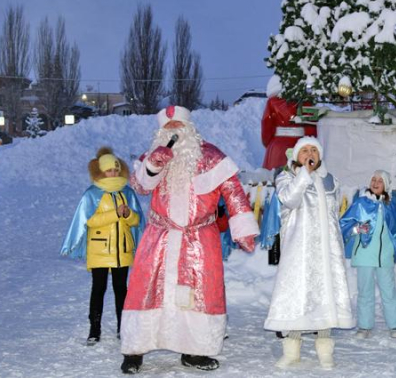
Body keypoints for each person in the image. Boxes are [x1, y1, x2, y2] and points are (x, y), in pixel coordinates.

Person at [119, 106, 259, 374]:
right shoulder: (152, 156)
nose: (174, 132)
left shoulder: (212, 156)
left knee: (201, 294)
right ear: (162, 132)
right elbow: (139, 187)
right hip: (159, 237)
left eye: (179, 126)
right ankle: (135, 350)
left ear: (189, 128)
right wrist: (152, 166)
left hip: (200, 240)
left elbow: (233, 192)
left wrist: (243, 228)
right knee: (145, 290)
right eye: (168, 128)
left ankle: (195, 351)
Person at [264, 136, 354, 370]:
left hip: (326, 251)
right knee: (297, 295)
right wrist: (304, 174)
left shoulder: (330, 180)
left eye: (314, 150)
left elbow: (333, 214)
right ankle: (291, 351)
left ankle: (325, 351)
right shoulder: (287, 177)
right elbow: (290, 200)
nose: (310, 153)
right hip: (299, 250)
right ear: (296, 155)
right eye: (305, 150)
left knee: (324, 295)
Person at [60, 147, 145, 345]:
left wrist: (127, 215)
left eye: (116, 169)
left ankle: (122, 328)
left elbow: (136, 221)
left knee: (121, 290)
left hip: (122, 249)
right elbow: (89, 221)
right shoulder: (92, 194)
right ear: (100, 171)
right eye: (109, 170)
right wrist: (115, 213)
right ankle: (94, 329)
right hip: (99, 250)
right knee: (98, 289)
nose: (113, 173)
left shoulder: (126, 191)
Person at [340, 170, 396, 339]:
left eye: (380, 181)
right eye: (373, 179)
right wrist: (357, 229)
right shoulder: (360, 204)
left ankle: (395, 325)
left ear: (386, 185)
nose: (375, 183)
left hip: (385, 257)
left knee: (389, 291)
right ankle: (364, 327)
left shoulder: (390, 207)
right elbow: (344, 225)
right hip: (364, 255)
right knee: (365, 292)